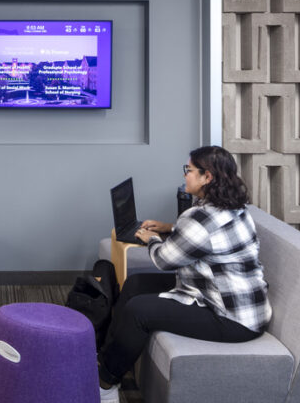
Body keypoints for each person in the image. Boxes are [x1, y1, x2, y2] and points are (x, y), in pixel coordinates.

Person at [97, 146, 271, 403]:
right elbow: (204, 236)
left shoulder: (200, 218)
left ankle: (105, 385)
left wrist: (152, 238)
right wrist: (170, 227)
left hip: (232, 319)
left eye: (188, 170)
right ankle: (107, 357)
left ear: (207, 177)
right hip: (228, 299)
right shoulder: (232, 207)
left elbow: (164, 260)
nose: (184, 176)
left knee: (138, 311)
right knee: (136, 284)